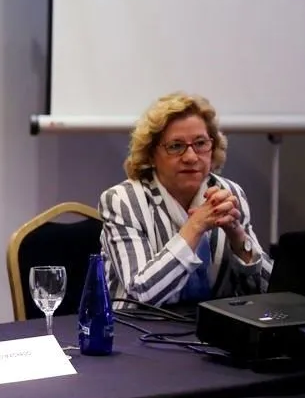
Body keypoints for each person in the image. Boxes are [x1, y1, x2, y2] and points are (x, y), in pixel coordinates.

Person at [98, 92, 273, 309]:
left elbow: (266, 292)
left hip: (210, 334)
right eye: (175, 146)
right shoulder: (122, 201)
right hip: (137, 332)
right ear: (151, 154)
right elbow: (142, 293)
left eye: (200, 143)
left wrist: (238, 238)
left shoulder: (230, 193)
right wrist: (195, 226)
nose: (191, 157)